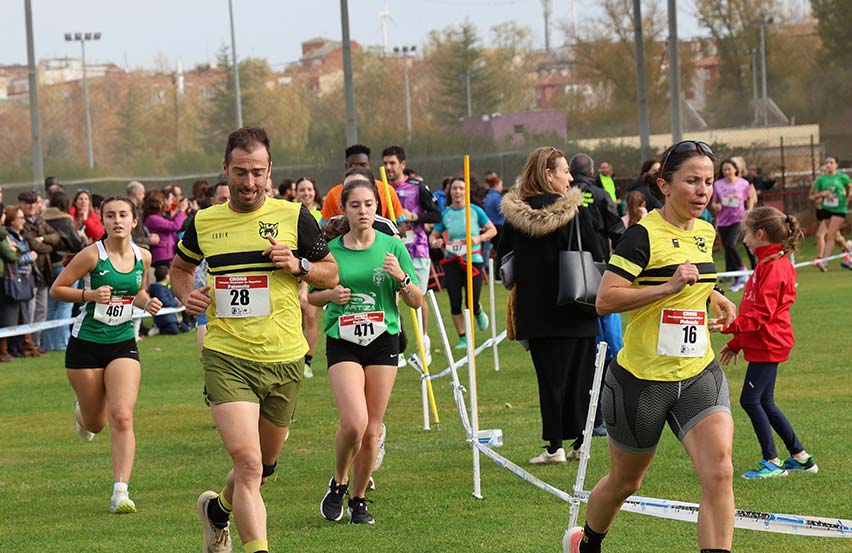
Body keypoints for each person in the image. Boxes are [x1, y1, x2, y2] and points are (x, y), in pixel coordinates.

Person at [170, 127, 338, 553]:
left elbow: (331, 273)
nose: (248, 183)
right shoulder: (203, 222)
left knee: (263, 468)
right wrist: (185, 295)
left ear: (269, 172)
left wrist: (298, 264)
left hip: (284, 357)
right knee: (246, 464)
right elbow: (180, 270)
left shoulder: (295, 216)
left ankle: (216, 512)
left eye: (257, 173)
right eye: (240, 172)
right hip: (227, 357)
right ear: (225, 170)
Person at [565, 140, 738, 553]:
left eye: (708, 182)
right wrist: (669, 287)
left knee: (720, 472)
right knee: (627, 481)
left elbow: (697, 280)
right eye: (691, 181)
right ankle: (588, 541)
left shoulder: (705, 230)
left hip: (699, 373)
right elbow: (606, 299)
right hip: (641, 383)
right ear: (664, 184)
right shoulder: (641, 236)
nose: (702, 191)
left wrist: (715, 297)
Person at [311, 178, 422, 525]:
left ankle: (358, 499)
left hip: (383, 340)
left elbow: (416, 301)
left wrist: (402, 277)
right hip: (343, 339)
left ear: (378, 208)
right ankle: (339, 481)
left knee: (373, 429)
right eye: (355, 205)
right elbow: (310, 297)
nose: (363, 211)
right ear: (344, 209)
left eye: (369, 205)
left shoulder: (392, 246)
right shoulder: (331, 250)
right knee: (354, 423)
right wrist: (330, 296)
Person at [49, 196, 163, 514]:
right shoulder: (90, 256)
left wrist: (147, 303)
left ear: (134, 221)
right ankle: (81, 413)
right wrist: (89, 294)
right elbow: (57, 288)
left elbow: (137, 292)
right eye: (110, 215)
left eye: (123, 215)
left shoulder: (144, 257)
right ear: (103, 222)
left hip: (123, 341)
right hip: (85, 345)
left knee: (122, 415)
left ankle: (120, 492)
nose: (117, 220)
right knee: (95, 423)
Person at [497, 148, 602, 464]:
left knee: (550, 381)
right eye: (565, 171)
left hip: (536, 310)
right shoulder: (577, 212)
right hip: (578, 304)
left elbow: (504, 259)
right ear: (547, 173)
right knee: (581, 381)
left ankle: (555, 446)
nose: (570, 177)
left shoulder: (515, 217)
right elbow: (596, 251)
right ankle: (581, 442)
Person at [710, 207, 818, 479]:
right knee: (765, 402)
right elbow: (752, 309)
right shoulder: (767, 263)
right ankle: (800, 457)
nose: (743, 238)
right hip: (764, 342)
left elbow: (761, 315)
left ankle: (771, 460)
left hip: (769, 344)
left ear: (760, 234)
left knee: (750, 400)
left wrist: (729, 327)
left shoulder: (774, 267)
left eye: (746, 233)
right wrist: (737, 342)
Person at [383, 145, 441, 351]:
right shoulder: (382, 190)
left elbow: (436, 215)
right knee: (392, 298)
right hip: (390, 252)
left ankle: (423, 340)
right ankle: (395, 344)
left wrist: (414, 216)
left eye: (392, 163)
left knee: (417, 295)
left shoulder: (417, 187)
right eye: (385, 163)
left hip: (417, 250)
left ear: (403, 165)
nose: (389, 167)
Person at [431, 174, 496, 350]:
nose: (458, 191)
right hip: (452, 260)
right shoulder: (446, 214)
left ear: (466, 191)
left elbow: (493, 230)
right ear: (450, 192)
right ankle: (462, 337)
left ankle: (477, 311)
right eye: (454, 188)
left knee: (471, 301)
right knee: (454, 300)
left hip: (473, 260)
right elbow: (434, 235)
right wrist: (435, 242)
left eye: (461, 188)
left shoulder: (475, 211)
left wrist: (479, 238)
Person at [40, 192, 87, 351]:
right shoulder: (65, 219)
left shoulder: (42, 217)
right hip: (64, 264)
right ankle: (62, 343)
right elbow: (76, 244)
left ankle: (48, 343)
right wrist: (82, 236)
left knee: (51, 307)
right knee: (65, 306)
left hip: (47, 266)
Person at [320, 144, 405, 226]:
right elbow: (324, 227)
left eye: (363, 165)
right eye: (354, 205)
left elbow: (401, 226)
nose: (358, 169)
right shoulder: (333, 194)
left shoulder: (387, 190)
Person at [18, 190, 61, 351]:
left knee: (41, 311)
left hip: (43, 272)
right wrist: (46, 245)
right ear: (20, 203)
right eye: (27, 202)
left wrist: (43, 239)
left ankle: (36, 343)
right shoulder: (20, 222)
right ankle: (27, 345)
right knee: (29, 312)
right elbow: (32, 244)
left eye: (33, 202)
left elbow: (55, 237)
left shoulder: (40, 221)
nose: (30, 206)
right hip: (29, 273)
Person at [711, 158, 755, 291]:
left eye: (729, 169)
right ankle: (738, 280)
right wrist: (716, 206)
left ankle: (742, 268)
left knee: (730, 244)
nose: (727, 172)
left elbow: (750, 198)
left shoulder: (743, 183)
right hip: (723, 220)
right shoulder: (718, 184)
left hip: (738, 219)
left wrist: (749, 210)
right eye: (724, 169)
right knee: (728, 249)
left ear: (736, 169)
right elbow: (714, 202)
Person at [2, 205, 40, 358]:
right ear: (12, 221)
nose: (23, 221)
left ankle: (24, 347)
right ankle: (7, 350)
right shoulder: (8, 237)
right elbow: (12, 258)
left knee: (24, 315)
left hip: (26, 280)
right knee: (9, 317)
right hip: (13, 281)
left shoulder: (21, 236)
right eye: (20, 218)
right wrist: (29, 258)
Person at [295, 176, 323, 377]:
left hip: (316, 272)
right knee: (296, 318)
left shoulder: (323, 216)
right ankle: (293, 358)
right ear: (296, 193)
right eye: (302, 190)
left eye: (309, 189)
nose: (306, 193)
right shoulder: (290, 215)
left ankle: (307, 361)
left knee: (311, 316)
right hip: (294, 273)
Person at [810, 156, 852, 271]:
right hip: (826, 210)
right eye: (827, 162)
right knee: (836, 237)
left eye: (831, 162)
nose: (828, 164)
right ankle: (849, 251)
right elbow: (812, 196)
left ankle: (824, 261)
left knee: (830, 235)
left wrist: (849, 195)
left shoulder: (842, 177)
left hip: (840, 209)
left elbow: (850, 186)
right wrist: (822, 194)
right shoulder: (821, 179)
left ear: (836, 165)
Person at [143, 189, 188, 269]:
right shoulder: (152, 219)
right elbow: (174, 226)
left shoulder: (157, 217)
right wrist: (182, 210)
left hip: (168, 255)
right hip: (162, 257)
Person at [0, 206, 21, 361]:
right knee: (6, 315)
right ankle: (4, 352)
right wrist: (17, 250)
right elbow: (11, 255)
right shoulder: (2, 235)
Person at [148, 265, 190, 335]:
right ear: (166, 276)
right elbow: (165, 301)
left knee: (185, 328)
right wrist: (176, 304)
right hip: (164, 317)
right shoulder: (159, 289)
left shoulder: (167, 287)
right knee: (174, 331)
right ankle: (158, 329)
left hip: (173, 316)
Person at [126, 181, 160, 251]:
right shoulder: (129, 211)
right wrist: (149, 240)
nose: (144, 196)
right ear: (136, 193)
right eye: (143, 193)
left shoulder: (137, 210)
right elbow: (133, 236)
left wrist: (148, 236)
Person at [483, 171, 505, 272]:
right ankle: (499, 273)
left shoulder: (487, 197)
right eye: (501, 184)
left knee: (488, 250)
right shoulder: (497, 197)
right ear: (496, 185)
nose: (501, 187)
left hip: (489, 225)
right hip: (499, 226)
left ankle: (487, 268)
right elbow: (501, 211)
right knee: (501, 250)